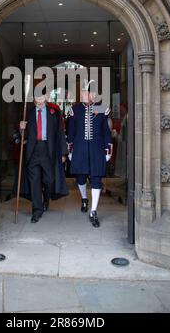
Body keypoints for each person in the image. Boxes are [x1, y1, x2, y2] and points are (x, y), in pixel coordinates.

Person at [67, 81, 113, 228]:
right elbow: (71, 132)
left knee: (96, 179)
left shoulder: (102, 109)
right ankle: (84, 199)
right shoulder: (75, 110)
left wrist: (108, 150)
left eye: (86, 93)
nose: (84, 95)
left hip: (97, 149)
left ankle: (93, 211)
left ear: (93, 95)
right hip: (79, 149)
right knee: (80, 177)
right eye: (83, 93)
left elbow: (106, 132)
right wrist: (70, 149)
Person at [20, 93, 68, 223]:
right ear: (34, 99)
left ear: (46, 98)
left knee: (50, 180)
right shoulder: (28, 113)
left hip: (48, 150)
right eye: (37, 98)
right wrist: (21, 128)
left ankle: (46, 198)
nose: (40, 101)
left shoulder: (54, 113)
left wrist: (63, 153)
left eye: (42, 98)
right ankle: (37, 210)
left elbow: (60, 134)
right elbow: (21, 134)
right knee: (34, 182)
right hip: (33, 151)